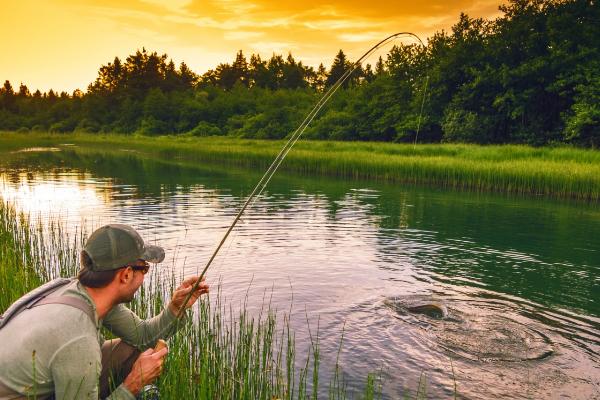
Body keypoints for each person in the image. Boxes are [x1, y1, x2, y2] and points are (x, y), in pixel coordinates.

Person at [0, 224, 209, 400]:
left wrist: (175, 308)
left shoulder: (77, 291)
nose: (144, 276)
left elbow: (143, 337)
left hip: (36, 379)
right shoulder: (78, 338)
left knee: (130, 349)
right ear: (126, 275)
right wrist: (133, 384)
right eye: (144, 269)